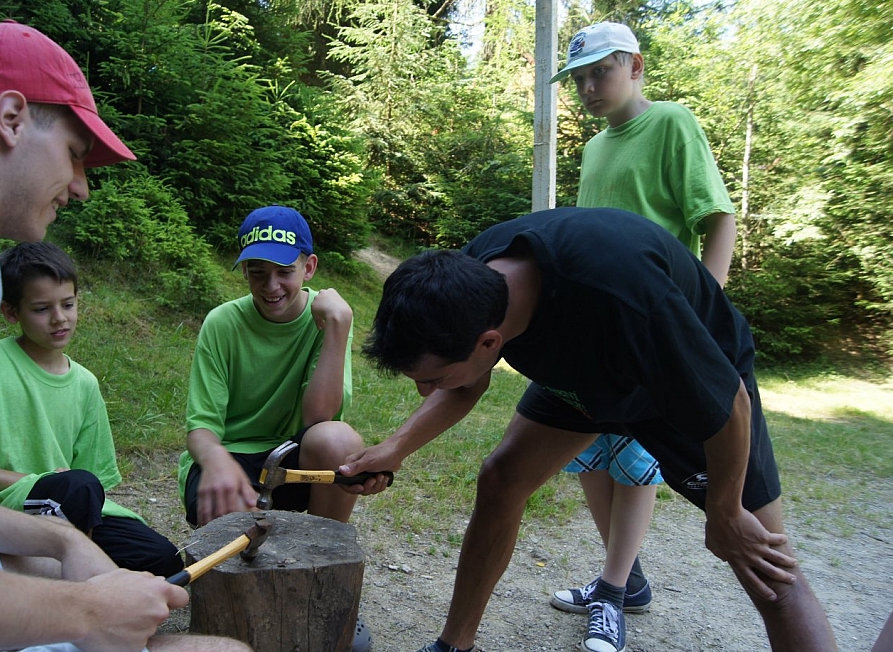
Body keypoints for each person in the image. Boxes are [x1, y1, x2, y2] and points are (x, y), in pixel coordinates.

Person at [340, 207, 837, 652]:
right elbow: (466, 381)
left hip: (685, 385)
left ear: (490, 342)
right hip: (586, 374)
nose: (425, 392)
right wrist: (397, 447)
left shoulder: (625, 293)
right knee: (502, 479)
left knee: (768, 569)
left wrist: (725, 511)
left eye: (433, 379)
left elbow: (730, 404)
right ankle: (454, 646)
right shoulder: (467, 279)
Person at [0, 20, 249, 651]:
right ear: (11, 118)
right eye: (74, 153)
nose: (81, 186)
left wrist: (62, 539)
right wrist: (85, 612)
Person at [545, 20, 739, 651]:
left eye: (600, 72)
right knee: (589, 456)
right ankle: (626, 578)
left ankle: (611, 590)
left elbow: (717, 218)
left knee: (634, 463)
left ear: (635, 66)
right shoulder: (594, 149)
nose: (588, 87)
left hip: (653, 331)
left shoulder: (671, 122)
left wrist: (703, 312)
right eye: (578, 78)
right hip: (594, 335)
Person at [179, 204, 373, 651]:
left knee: (338, 439)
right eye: (257, 272)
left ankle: (325, 581)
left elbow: (319, 419)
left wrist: (338, 328)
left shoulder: (326, 320)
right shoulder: (222, 323)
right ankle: (231, 608)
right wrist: (217, 463)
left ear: (309, 267)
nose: (271, 286)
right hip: (229, 457)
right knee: (238, 551)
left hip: (290, 457)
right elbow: (201, 428)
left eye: (284, 272)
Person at [0, 241, 185, 578]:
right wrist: (45, 480)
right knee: (76, 487)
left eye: (68, 304)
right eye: (41, 309)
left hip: (68, 504)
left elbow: (94, 480)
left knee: (162, 558)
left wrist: (68, 486)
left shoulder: (85, 383)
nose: (59, 318)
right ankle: (77, 585)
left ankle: (72, 572)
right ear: (11, 312)